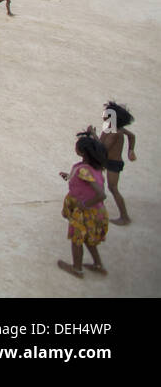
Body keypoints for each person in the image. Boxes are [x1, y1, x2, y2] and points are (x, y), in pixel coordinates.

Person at [57, 130, 109, 278]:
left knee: (77, 239)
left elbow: (101, 194)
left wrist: (84, 205)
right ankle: (98, 264)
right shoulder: (93, 167)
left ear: (82, 152)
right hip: (96, 212)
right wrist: (69, 176)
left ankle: (77, 269)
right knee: (88, 239)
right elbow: (84, 182)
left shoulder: (84, 170)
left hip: (85, 213)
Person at [100, 101, 137, 226]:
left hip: (113, 163)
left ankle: (125, 217)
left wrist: (92, 136)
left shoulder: (116, 131)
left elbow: (103, 148)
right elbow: (132, 136)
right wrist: (131, 150)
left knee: (113, 188)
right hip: (107, 161)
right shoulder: (112, 127)